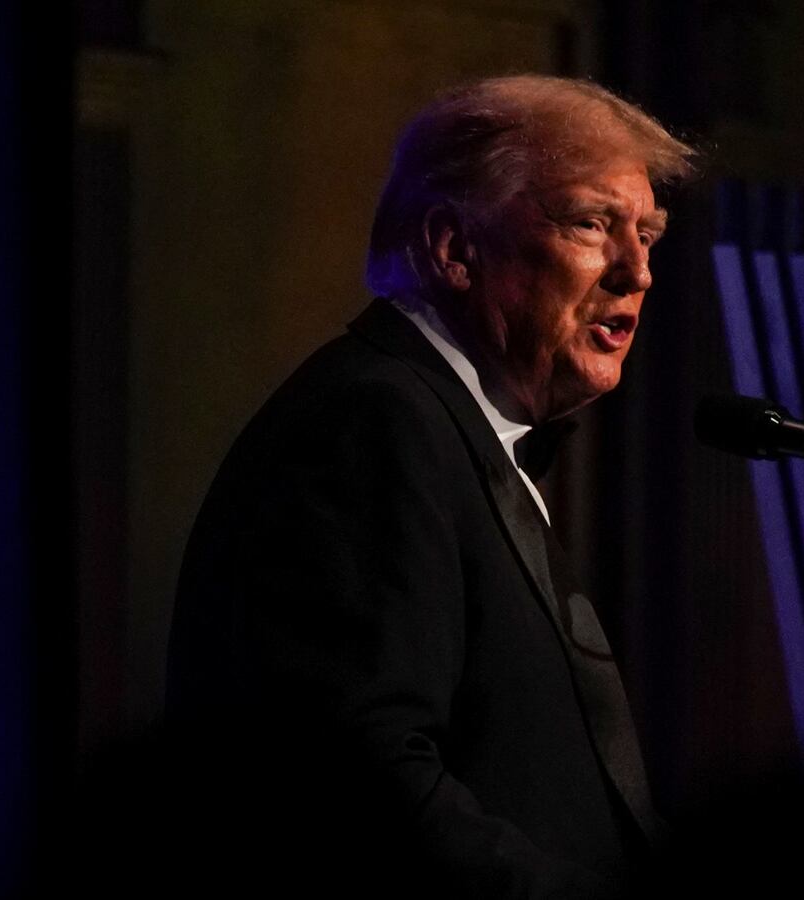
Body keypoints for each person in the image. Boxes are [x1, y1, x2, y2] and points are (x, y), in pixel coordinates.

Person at [163, 75, 695, 898]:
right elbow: (362, 781)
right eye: (592, 224)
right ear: (454, 247)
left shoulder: (447, 424)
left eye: (649, 235)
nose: (638, 273)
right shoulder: (374, 424)